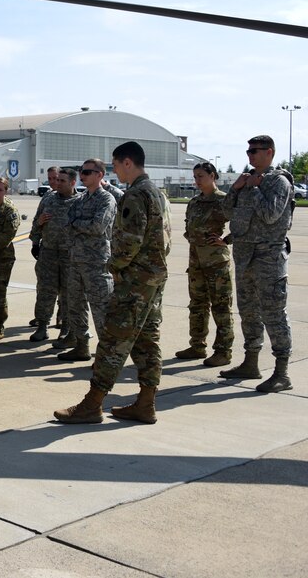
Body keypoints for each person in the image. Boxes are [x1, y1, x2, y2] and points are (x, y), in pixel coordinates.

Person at [54, 141, 171, 425]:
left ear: (128, 163)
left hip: (135, 282)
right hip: (153, 279)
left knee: (111, 342)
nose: (114, 170)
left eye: (116, 164)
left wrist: (115, 267)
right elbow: (166, 238)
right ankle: (146, 402)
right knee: (146, 340)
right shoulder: (157, 193)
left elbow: (129, 243)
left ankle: (92, 404)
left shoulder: (135, 195)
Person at [219, 135, 295, 393]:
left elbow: (270, 215)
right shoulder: (247, 179)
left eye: (255, 151)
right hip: (244, 257)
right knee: (248, 312)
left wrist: (254, 188)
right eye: (248, 151)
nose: (250, 155)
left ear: (269, 153)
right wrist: (237, 187)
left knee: (273, 314)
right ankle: (250, 363)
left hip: (268, 259)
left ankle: (282, 373)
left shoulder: (278, 182)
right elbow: (227, 211)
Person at [58, 159, 116, 363]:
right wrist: (80, 224)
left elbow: (98, 227)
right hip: (76, 260)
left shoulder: (106, 199)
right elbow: (66, 225)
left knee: (101, 310)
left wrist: (77, 224)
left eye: (88, 172)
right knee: (75, 306)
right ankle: (82, 346)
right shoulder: (80, 200)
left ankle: (107, 355)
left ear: (100, 175)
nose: (83, 175)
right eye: (82, 172)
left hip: (96, 263)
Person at [177, 161, 234, 367]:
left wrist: (226, 239)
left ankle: (223, 351)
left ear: (213, 176)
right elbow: (188, 227)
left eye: (201, 176)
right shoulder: (194, 202)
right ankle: (197, 345)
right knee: (197, 304)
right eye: (195, 176)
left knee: (221, 306)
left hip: (216, 262)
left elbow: (242, 223)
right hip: (196, 261)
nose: (197, 180)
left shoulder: (223, 200)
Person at [29, 167, 77, 344]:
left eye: (62, 181)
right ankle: (42, 327)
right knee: (45, 292)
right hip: (48, 253)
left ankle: (65, 328)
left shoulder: (79, 202)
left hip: (69, 256)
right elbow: (36, 221)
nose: (57, 183)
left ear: (73, 183)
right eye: (57, 180)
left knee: (67, 294)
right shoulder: (48, 198)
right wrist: (35, 241)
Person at [0, 176, 21, 341]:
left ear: (6, 191)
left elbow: (6, 237)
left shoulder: (10, 210)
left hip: (3, 257)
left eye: (0, 190)